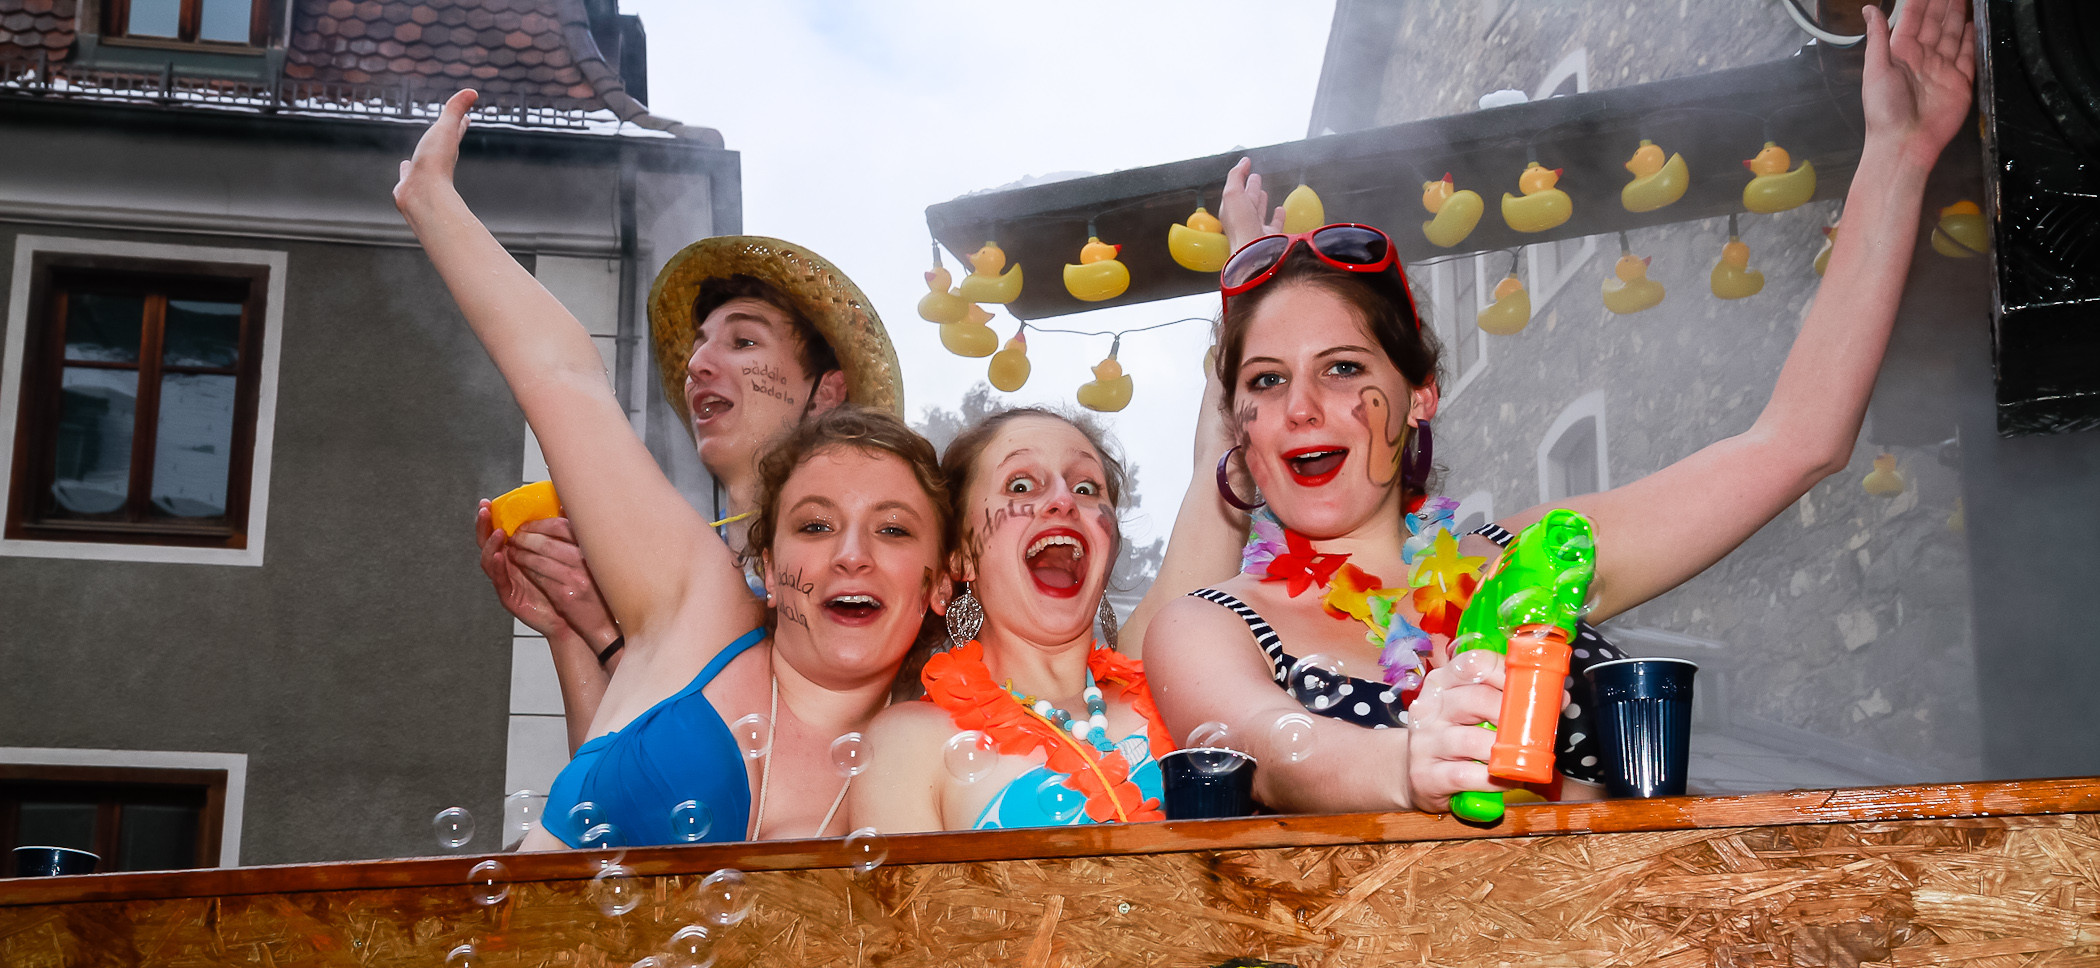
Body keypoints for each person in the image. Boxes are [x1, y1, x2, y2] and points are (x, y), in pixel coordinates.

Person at [1145, 0, 1976, 815]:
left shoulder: (1537, 558)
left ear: (1420, 393)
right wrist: (1406, 764)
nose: (1300, 407)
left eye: (1341, 368)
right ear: (1239, 427)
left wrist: (1899, 152)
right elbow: (1273, 748)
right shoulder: (1208, 626)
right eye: (1266, 382)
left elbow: (1797, 439)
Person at [397, 92, 949, 848]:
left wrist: (596, 638)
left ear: (944, 577)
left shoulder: (924, 746)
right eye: (815, 526)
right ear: (769, 560)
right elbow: (563, 375)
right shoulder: (703, 593)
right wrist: (432, 201)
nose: (699, 367)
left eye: (892, 530)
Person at [474, 234, 906, 755]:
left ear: (826, 394)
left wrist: (612, 638)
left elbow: (765, 758)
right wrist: (568, 629)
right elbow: (604, 790)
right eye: (700, 346)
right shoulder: (680, 567)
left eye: (743, 342)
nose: (697, 364)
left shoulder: (851, 573)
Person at [852, 409, 1178, 832]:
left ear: (1111, 548)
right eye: (1020, 485)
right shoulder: (910, 743)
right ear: (962, 558)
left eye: (1085, 488)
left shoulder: (1174, 699)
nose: (1063, 500)